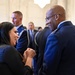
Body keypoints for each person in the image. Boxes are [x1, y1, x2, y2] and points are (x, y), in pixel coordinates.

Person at [39, 5, 75, 75]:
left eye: (48, 18)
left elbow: (48, 68)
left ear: (56, 17)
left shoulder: (55, 36)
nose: (46, 23)